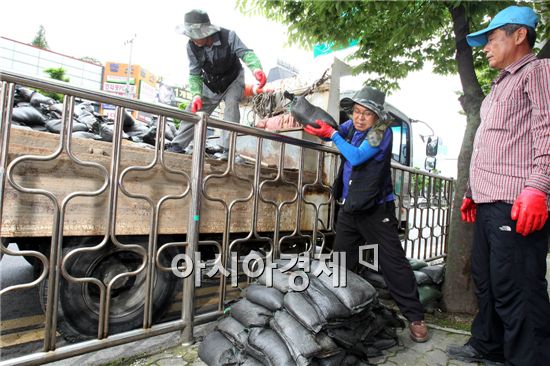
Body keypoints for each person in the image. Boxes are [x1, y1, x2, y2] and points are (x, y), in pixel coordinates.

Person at [446, 5, 550, 366]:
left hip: (518, 202)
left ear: (519, 35)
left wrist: (539, 186)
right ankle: (489, 347)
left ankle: (530, 359)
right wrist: (474, 193)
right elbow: (496, 144)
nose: (485, 47)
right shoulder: (499, 85)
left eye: (491, 39)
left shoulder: (537, 72)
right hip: (490, 201)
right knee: (489, 283)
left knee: (518, 289)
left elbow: (547, 131)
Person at [304, 86, 429, 343]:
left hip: (376, 209)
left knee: (393, 263)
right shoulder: (353, 126)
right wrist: (322, 129)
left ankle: (415, 317)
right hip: (350, 207)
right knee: (340, 262)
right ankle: (335, 313)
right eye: (357, 111)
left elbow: (357, 157)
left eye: (367, 113)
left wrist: (334, 137)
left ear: (377, 116)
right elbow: (337, 133)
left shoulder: (382, 132)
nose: (359, 118)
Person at [170, 9, 267, 160]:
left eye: (195, 35)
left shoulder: (229, 36)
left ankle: (227, 150)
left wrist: (256, 69)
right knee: (194, 108)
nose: (192, 39)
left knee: (231, 105)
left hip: (233, 79)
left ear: (205, 32)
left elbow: (246, 53)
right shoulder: (191, 47)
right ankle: (177, 145)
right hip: (211, 83)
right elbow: (194, 74)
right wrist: (196, 94)